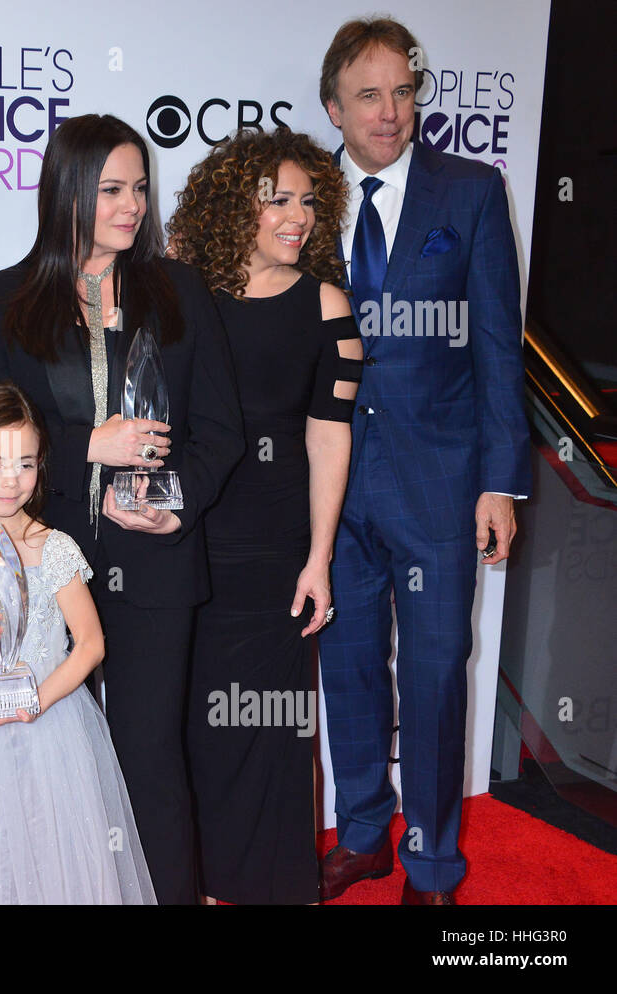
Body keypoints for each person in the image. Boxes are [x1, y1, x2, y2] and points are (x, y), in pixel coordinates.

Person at [0, 114, 245, 903]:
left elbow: (223, 430)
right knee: (52, 750)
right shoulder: (7, 297)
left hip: (156, 558)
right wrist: (91, 443)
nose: (132, 205)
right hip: (42, 560)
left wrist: (175, 502)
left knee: (152, 756)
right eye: (112, 188)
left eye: (140, 188)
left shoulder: (179, 289)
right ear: (67, 193)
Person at [314, 17, 531, 905]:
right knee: (348, 666)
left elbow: (498, 350)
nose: (391, 111)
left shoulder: (472, 193)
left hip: (441, 482)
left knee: (438, 671)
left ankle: (434, 863)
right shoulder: (299, 198)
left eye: (404, 90)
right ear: (333, 105)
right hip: (327, 483)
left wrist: (500, 479)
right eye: (369, 95)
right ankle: (363, 833)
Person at [167, 127, 362, 904]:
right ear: (232, 206)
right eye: (276, 199)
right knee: (195, 732)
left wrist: (319, 558)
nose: (298, 216)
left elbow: (329, 434)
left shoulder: (327, 306)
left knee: (276, 735)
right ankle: (203, 885)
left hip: (277, 550)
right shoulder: (185, 295)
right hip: (189, 541)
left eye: (310, 201)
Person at [0, 383, 156, 904]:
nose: (11, 481)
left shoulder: (53, 546)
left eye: (26, 464)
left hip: (49, 723)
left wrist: (33, 704)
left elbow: (90, 645)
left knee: (52, 851)